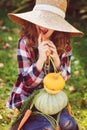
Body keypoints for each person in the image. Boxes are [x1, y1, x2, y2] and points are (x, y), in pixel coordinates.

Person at [6, 0, 83, 130]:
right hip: (27, 97)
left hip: (53, 97)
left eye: (50, 22)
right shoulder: (25, 42)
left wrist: (57, 61)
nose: (43, 25)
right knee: (45, 127)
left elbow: (63, 79)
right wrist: (41, 60)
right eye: (41, 20)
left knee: (70, 125)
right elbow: (27, 82)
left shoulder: (64, 44)